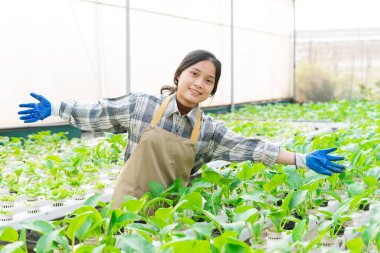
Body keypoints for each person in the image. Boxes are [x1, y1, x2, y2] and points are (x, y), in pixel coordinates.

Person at [18, 49, 345, 208]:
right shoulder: (143, 106)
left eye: (209, 80)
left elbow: (255, 148)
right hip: (126, 206)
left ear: (212, 91)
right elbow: (99, 113)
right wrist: (57, 109)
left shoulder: (209, 130)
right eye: (194, 74)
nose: (199, 83)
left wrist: (301, 159)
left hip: (170, 215)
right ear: (179, 75)